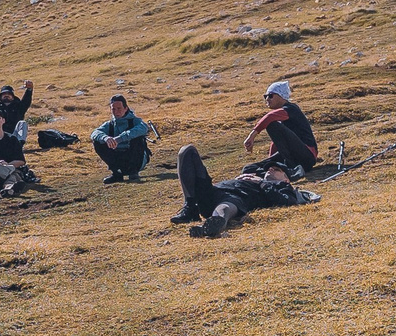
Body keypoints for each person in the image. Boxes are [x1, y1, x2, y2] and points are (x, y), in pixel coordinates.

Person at [170, 144, 319, 238]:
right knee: (187, 151)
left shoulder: (283, 187)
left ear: (286, 179)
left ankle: (211, 225)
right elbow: (252, 166)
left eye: (277, 170)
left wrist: (261, 183)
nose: (271, 169)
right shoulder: (250, 175)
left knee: (225, 207)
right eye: (269, 168)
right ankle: (190, 208)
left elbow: (288, 201)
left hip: (238, 199)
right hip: (213, 191)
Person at [241, 80, 318, 179]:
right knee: (247, 169)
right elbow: (277, 142)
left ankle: (290, 169)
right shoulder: (282, 117)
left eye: (270, 95)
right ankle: (283, 173)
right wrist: (271, 163)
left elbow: (270, 117)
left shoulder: (291, 108)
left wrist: (252, 136)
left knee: (272, 124)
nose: (267, 99)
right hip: (289, 156)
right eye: (266, 96)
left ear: (281, 96)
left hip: (306, 156)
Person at [89, 94, 153, 182]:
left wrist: (120, 138)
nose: (116, 112)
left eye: (119, 108)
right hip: (118, 158)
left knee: (137, 138)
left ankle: (133, 172)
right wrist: (106, 138)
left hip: (137, 159)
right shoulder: (110, 124)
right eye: (113, 109)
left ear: (126, 108)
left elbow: (144, 128)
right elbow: (94, 133)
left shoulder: (135, 121)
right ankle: (117, 173)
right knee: (98, 142)